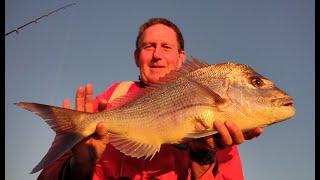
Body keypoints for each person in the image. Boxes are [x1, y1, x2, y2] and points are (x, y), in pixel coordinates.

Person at [38, 17, 263, 180]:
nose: (157, 55)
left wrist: (203, 157)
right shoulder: (109, 101)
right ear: (137, 57)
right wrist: (79, 164)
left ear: (180, 57)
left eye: (166, 47)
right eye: (148, 47)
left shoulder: (222, 130)